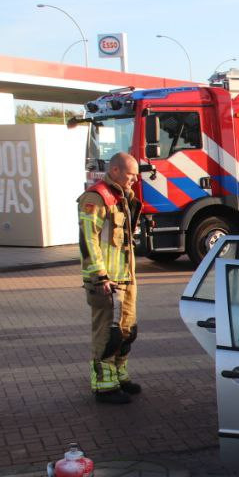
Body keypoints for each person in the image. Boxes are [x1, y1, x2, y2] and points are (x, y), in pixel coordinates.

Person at [80, 152, 141, 404]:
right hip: (106, 281)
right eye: (130, 175)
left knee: (127, 331)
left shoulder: (122, 197)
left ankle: (119, 376)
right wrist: (100, 275)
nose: (134, 180)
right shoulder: (96, 198)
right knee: (108, 333)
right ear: (115, 171)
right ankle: (104, 387)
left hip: (125, 278)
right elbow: (88, 240)